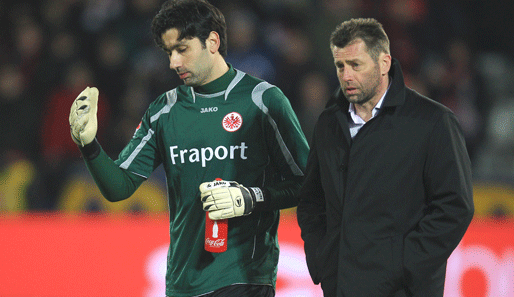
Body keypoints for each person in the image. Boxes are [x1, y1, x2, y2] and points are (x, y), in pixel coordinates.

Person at [68, 1, 309, 296]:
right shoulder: (164, 111)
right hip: (182, 283)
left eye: (182, 49)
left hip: (244, 277)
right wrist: (89, 145)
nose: (174, 62)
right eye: (169, 52)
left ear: (212, 41)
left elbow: (307, 183)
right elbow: (119, 187)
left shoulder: (262, 101)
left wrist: (251, 198)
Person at [296, 18, 474, 297]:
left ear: (384, 63)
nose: (346, 76)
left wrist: (405, 266)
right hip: (341, 285)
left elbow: (454, 207)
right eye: (340, 66)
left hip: (404, 290)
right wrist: (323, 259)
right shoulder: (329, 123)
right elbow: (312, 202)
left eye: (356, 65)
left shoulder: (432, 121)